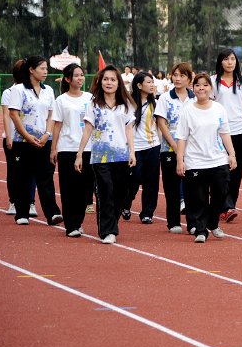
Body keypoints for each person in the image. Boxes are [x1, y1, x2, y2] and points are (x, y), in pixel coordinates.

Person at [75, 65, 136, 244]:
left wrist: (132, 152)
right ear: (100, 82)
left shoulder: (126, 105)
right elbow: (87, 130)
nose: (108, 83)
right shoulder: (94, 104)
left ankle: (112, 223)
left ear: (119, 83)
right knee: (105, 190)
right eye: (105, 79)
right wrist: (79, 154)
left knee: (121, 191)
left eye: (112, 79)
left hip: (122, 155)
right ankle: (108, 230)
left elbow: (129, 129)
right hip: (100, 156)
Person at [176, 72, 237, 243]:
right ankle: (201, 230)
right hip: (195, 161)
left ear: (210, 88)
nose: (201, 88)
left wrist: (231, 154)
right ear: (193, 88)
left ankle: (212, 221)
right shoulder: (187, 111)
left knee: (222, 193)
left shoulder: (218, 108)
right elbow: (182, 137)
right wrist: (180, 161)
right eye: (197, 85)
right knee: (198, 198)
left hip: (218, 159)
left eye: (205, 85)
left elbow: (225, 133)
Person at [8, 56, 62, 226]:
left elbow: (51, 114)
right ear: (31, 70)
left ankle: (52, 213)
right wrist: (26, 135)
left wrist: (47, 133)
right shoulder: (18, 90)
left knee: (46, 177)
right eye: (42, 68)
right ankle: (22, 213)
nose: (46, 72)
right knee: (23, 176)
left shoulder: (49, 91)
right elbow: (14, 114)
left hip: (44, 140)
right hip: (23, 141)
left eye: (46, 68)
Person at [50, 64, 94, 237]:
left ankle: (79, 220)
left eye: (82, 75)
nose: (80, 78)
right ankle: (71, 225)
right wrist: (53, 148)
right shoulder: (61, 100)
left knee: (85, 189)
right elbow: (57, 125)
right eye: (76, 76)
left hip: (88, 148)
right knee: (69, 188)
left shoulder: (90, 98)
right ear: (68, 79)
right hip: (67, 148)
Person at [211, 49, 242, 223]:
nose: (230, 62)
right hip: (219, 132)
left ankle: (229, 206)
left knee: (237, 171)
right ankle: (223, 205)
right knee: (221, 171)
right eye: (226, 59)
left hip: (240, 131)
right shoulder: (213, 81)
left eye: (233, 59)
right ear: (220, 62)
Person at [155, 62, 195, 234]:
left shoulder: (194, 98)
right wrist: (173, 144)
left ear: (189, 78)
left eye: (182, 76)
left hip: (192, 150)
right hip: (169, 148)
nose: (178, 79)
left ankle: (193, 222)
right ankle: (173, 222)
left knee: (192, 187)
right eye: (175, 75)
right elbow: (161, 122)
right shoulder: (165, 98)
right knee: (172, 187)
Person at [122, 72, 161, 224]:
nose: (152, 85)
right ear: (139, 85)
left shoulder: (155, 102)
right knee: (135, 178)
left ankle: (147, 212)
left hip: (153, 146)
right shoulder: (128, 103)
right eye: (148, 82)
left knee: (151, 180)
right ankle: (126, 202)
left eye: (153, 82)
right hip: (135, 148)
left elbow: (158, 125)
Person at [2, 60, 32, 217]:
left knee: (31, 172)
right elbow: (7, 116)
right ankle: (13, 201)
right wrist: (9, 137)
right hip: (14, 139)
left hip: (31, 138)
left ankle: (30, 203)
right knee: (14, 171)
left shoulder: (35, 91)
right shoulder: (9, 92)